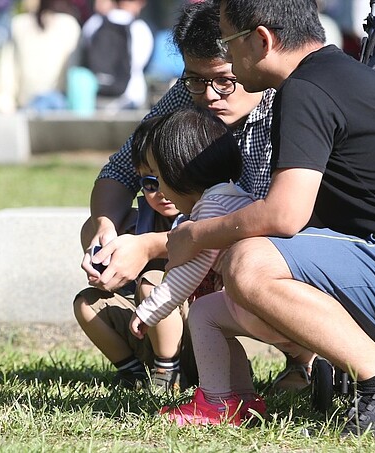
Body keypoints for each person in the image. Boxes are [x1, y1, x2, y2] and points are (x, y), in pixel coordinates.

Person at [166, 0, 375, 437]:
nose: (225, 56)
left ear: (261, 40)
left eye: (228, 42)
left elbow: (284, 215)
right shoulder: (338, 76)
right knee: (228, 299)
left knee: (251, 263)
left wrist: (195, 235)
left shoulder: (306, 89)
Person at [77, 0, 314, 392]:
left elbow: (264, 218)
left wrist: (152, 245)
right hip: (201, 254)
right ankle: (172, 361)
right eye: (194, 79)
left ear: (249, 57)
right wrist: (104, 226)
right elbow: (121, 168)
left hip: (279, 251)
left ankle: (305, 358)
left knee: (246, 261)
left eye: (223, 79)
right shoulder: (187, 94)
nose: (208, 95)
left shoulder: (288, 107)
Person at [127, 106, 303, 426]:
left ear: (178, 173)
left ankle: (215, 403)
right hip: (280, 299)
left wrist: (150, 310)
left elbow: (191, 270)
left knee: (203, 313)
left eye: (159, 176)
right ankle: (243, 400)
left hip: (261, 303)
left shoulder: (211, 205)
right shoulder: (237, 197)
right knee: (219, 326)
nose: (161, 190)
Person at [76, 115, 197, 391]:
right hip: (146, 330)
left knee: (152, 281)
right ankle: (135, 373)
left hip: (199, 335)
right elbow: (93, 232)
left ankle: (170, 374)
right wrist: (101, 256)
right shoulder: (136, 221)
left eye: (173, 179)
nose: (163, 192)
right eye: (151, 183)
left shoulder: (204, 214)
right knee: (86, 303)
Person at [0, 0, 81, 114]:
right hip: (26, 106)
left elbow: (74, 69)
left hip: (60, 105)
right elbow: (8, 67)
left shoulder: (68, 25)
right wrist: (4, 98)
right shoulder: (19, 24)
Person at [80, 0, 153, 111]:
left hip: (97, 97)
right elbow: (140, 62)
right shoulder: (141, 28)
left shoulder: (94, 23)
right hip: (131, 97)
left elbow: (85, 52)